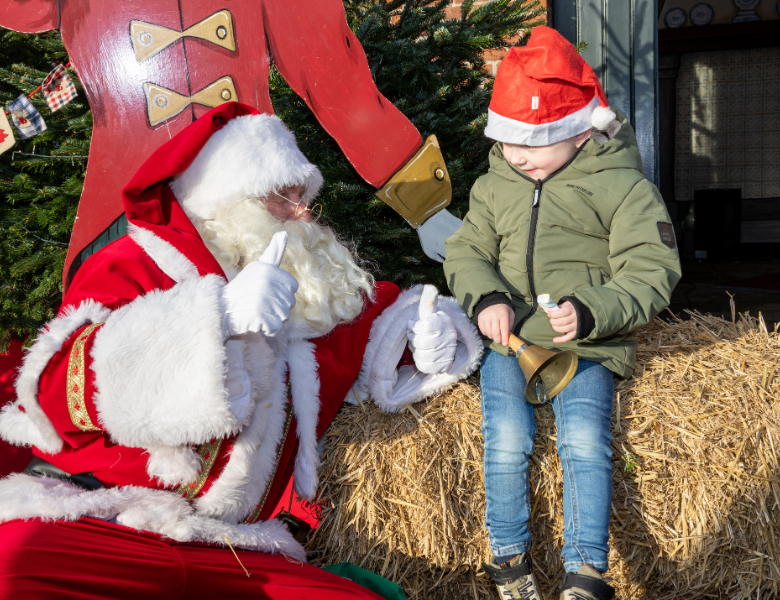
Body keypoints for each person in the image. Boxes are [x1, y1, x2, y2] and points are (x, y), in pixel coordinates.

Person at [0, 102, 483, 599]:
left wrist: (428, 337)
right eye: (281, 198)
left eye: (303, 195)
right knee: (12, 568)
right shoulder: (134, 265)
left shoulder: (306, 294)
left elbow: (377, 323)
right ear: (224, 203)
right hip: (111, 520)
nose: (303, 213)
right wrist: (216, 317)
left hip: (235, 546)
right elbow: (56, 395)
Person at [443, 27, 681, 600]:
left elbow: (653, 269)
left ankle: (585, 572)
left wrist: (594, 310)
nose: (518, 154)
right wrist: (488, 299)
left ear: (578, 132)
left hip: (589, 345)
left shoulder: (622, 187)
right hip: (512, 342)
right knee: (503, 438)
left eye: (534, 140)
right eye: (509, 141)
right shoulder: (496, 183)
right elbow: (466, 251)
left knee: (582, 440)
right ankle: (508, 560)